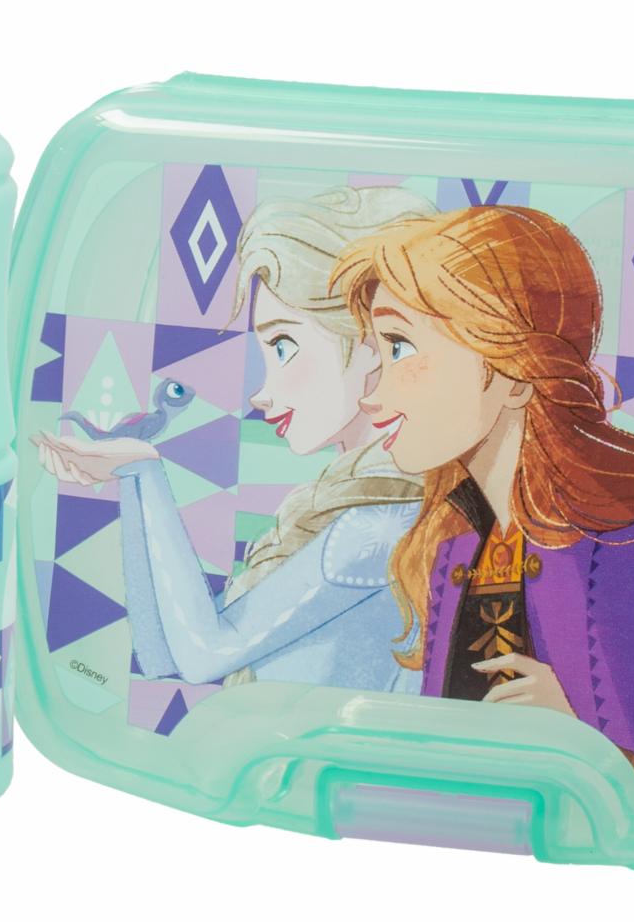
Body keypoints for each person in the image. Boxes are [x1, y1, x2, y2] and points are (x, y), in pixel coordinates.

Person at [334, 204, 634, 782]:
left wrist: (582, 740)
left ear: (513, 371)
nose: (371, 396)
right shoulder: (451, 550)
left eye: (400, 347)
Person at [34, 185, 433, 691]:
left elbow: (205, 655)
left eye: (283, 346)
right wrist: (138, 473)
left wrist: (145, 474)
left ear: (371, 340)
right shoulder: (351, 507)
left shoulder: (384, 524)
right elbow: (162, 654)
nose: (261, 394)